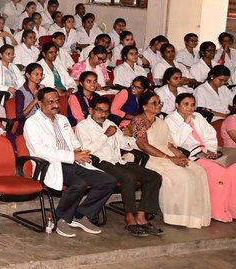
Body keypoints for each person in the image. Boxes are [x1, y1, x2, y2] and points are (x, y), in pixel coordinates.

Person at [25, 87, 117, 238]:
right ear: (40, 103)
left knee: (108, 180)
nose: (55, 104)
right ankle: (61, 218)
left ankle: (81, 215)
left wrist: (79, 151)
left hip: (72, 160)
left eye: (57, 101)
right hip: (51, 163)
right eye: (50, 102)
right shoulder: (32, 122)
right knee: (78, 183)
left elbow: (72, 140)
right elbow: (40, 150)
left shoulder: (63, 119)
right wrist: (71, 156)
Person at [75, 96, 163, 237]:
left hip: (117, 160)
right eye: (99, 110)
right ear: (91, 110)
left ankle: (141, 216)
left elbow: (124, 144)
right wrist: (105, 135)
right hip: (99, 162)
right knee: (129, 177)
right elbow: (86, 150)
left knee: (153, 176)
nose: (103, 114)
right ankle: (129, 217)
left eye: (106, 111)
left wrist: (130, 135)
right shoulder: (83, 126)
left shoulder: (110, 123)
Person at [130, 91, 210, 229]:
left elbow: (169, 144)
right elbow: (143, 145)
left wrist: (180, 156)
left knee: (198, 171)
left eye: (159, 102)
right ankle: (178, 216)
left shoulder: (160, 121)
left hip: (166, 153)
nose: (158, 105)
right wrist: (170, 158)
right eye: (154, 103)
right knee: (184, 176)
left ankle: (196, 216)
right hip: (149, 157)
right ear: (144, 106)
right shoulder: (139, 120)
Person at [166, 93, 236, 223]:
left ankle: (232, 208)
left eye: (193, 105)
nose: (190, 108)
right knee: (218, 170)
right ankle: (217, 210)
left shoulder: (198, 116)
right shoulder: (170, 120)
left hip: (207, 152)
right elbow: (176, 142)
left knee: (233, 168)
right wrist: (186, 123)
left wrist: (210, 149)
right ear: (177, 105)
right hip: (191, 154)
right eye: (185, 104)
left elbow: (210, 134)